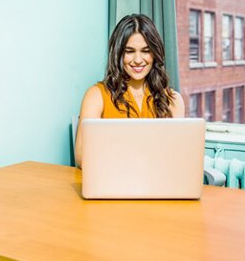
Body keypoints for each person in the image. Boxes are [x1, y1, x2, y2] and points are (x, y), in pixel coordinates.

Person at [75, 14, 185, 168]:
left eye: (146, 51)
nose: (138, 60)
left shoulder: (173, 100)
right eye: (129, 51)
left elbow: (178, 156)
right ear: (119, 54)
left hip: (158, 184)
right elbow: (81, 157)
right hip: (112, 180)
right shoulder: (96, 96)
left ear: (155, 54)